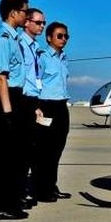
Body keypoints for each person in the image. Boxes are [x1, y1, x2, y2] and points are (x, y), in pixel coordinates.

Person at [0, 0, 29, 221]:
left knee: (13, 156)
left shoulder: (13, 38)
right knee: (2, 156)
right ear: (13, 13)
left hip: (12, 97)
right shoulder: (2, 39)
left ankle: (9, 202)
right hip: (7, 99)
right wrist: (7, 110)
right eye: (24, 12)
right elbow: (1, 77)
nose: (26, 16)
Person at [33, 21, 72, 201]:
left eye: (66, 36)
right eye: (59, 36)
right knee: (43, 150)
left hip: (61, 106)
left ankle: (51, 186)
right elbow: (35, 81)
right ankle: (41, 190)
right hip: (46, 105)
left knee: (57, 149)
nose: (63, 39)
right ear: (49, 38)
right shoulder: (41, 57)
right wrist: (37, 106)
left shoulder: (64, 58)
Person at [16, 8, 47, 208]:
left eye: (43, 23)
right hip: (22, 99)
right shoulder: (17, 43)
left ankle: (23, 191)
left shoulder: (34, 47)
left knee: (30, 151)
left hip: (32, 101)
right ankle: (18, 193)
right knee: (20, 152)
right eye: (38, 22)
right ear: (26, 22)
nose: (41, 26)